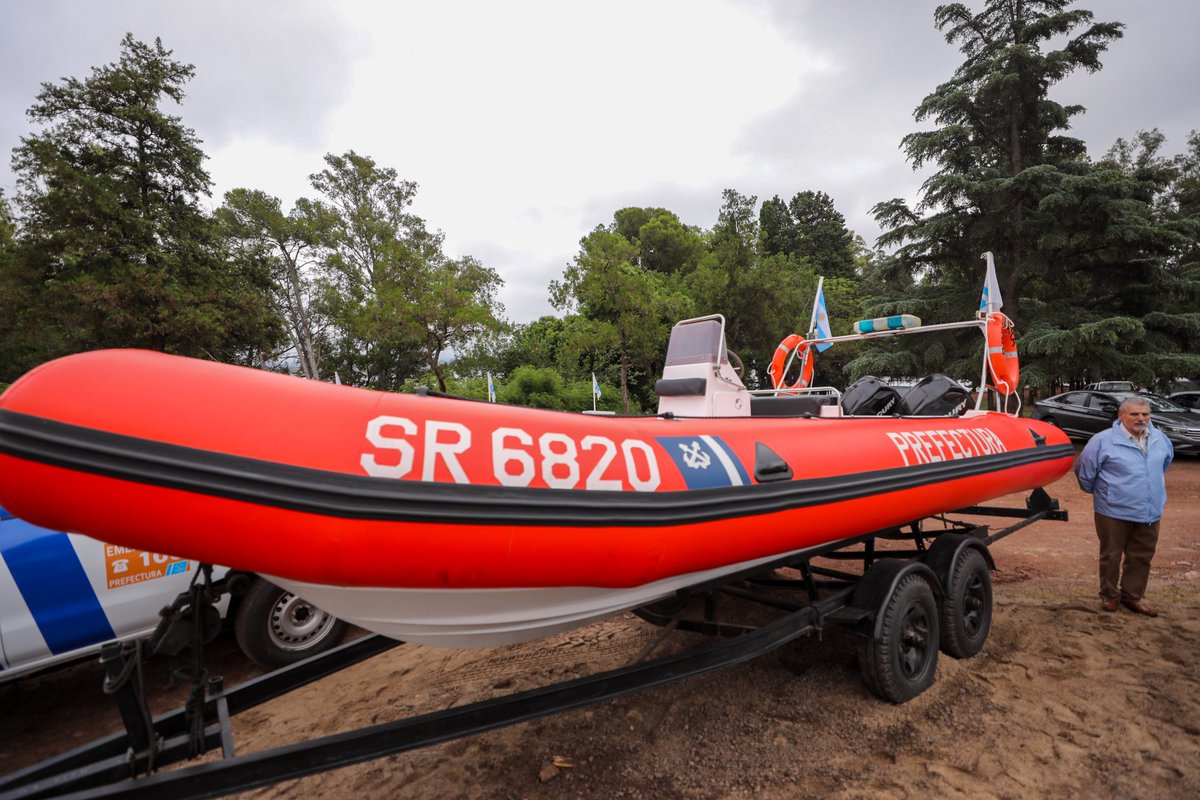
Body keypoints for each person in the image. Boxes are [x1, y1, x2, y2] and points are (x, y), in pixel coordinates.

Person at [1074, 396, 1173, 616]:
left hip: (1149, 510)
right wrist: (1106, 493)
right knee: (1111, 555)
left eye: (1145, 414)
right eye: (1134, 414)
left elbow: (1164, 464)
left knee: (1141, 555)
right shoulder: (1102, 440)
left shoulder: (1160, 439)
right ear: (1121, 416)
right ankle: (1109, 596)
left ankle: (1132, 596)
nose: (1141, 418)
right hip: (1113, 510)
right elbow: (1085, 472)